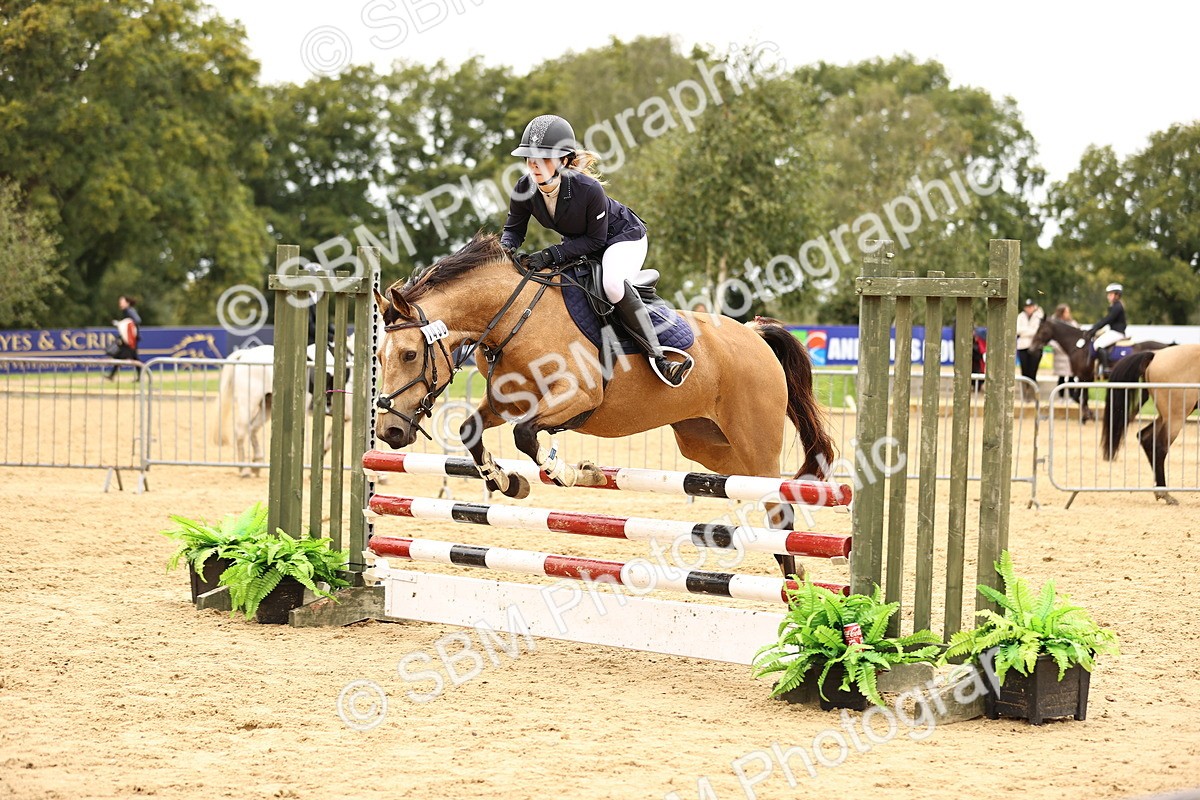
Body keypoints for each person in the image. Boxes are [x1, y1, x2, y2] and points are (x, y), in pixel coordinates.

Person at [499, 114, 692, 388]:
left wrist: (551, 254)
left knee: (612, 285)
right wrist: (503, 252)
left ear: (564, 161)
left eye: (543, 158)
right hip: (582, 243)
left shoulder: (588, 189)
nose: (533, 164)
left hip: (622, 238)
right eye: (529, 158)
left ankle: (659, 357)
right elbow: (514, 230)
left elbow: (595, 240)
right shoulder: (524, 188)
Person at [1085, 283, 1127, 371]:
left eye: (1110, 294)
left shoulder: (1117, 307)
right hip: (1114, 331)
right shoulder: (1115, 306)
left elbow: (1107, 320)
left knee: (1098, 344)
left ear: (1117, 295)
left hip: (1117, 332)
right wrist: (1095, 328)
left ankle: (1106, 367)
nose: (1108, 296)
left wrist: (1095, 329)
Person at [1050, 303, 1081, 401]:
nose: (1068, 313)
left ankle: (1072, 397)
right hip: (1060, 355)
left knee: (1072, 377)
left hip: (1071, 354)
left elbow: (1077, 335)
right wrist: (1062, 348)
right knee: (1062, 377)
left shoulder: (1073, 323)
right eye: (1066, 311)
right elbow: (1051, 340)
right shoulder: (1054, 323)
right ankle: (1061, 397)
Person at [105, 295, 141, 380]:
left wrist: (122, 323)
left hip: (130, 340)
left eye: (122, 302)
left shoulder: (129, 311)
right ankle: (112, 375)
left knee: (128, 357)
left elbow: (137, 320)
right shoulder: (126, 311)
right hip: (128, 339)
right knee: (126, 356)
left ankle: (112, 375)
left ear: (127, 303)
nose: (120, 304)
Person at [1015, 298, 1043, 399]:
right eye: (1027, 307)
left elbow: (1037, 331)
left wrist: (1025, 331)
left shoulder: (1039, 316)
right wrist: (1030, 331)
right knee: (1024, 371)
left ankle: (1032, 393)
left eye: (1031, 307)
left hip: (1035, 347)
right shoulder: (1021, 316)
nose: (1029, 309)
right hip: (1023, 347)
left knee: (1033, 371)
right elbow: (1017, 330)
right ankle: (1025, 393)